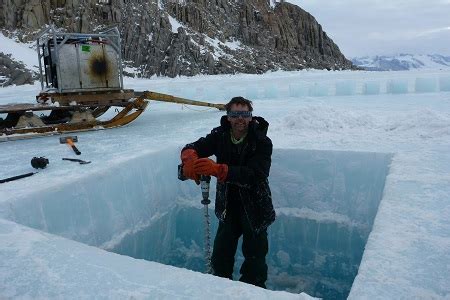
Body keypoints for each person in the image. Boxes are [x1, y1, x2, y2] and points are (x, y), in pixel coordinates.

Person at [180, 96, 275, 288]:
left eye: (244, 114)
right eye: (235, 114)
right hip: (228, 206)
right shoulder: (220, 135)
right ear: (228, 117)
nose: (240, 118)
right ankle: (220, 290)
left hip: (255, 207)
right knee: (220, 256)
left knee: (255, 261)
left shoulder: (262, 141)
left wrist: (219, 170)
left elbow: (256, 174)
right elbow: (194, 147)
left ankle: (254, 291)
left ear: (251, 117)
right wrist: (189, 161)